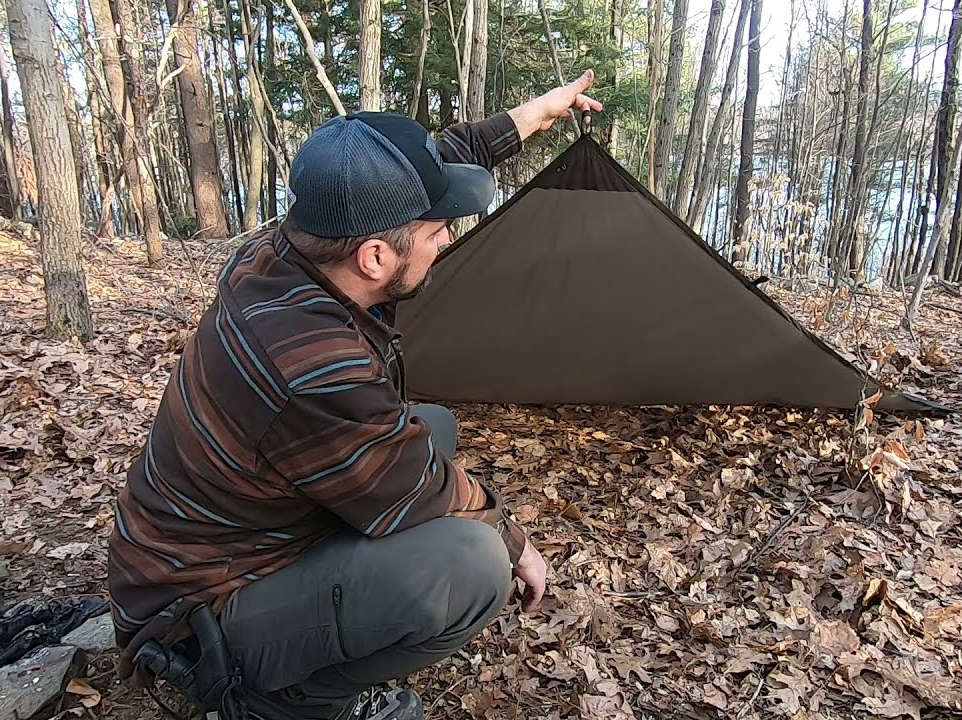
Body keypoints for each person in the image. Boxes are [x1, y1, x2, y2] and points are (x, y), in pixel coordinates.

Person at [106, 72, 603, 720]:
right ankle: (286, 703)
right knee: (473, 565)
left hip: (221, 538)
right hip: (198, 612)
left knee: (433, 426)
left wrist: (538, 112)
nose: (447, 240)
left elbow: (438, 159)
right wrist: (515, 541)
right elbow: (418, 484)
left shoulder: (293, 246)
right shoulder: (313, 364)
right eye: (437, 232)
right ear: (374, 258)